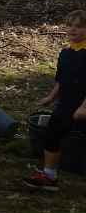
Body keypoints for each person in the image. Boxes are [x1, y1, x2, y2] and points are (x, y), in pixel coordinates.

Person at [23, 10, 86, 191]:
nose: (73, 29)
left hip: (82, 105)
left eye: (79, 26)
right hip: (66, 103)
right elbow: (62, 79)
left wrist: (84, 107)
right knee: (52, 134)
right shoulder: (65, 53)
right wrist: (51, 97)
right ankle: (49, 176)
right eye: (70, 25)